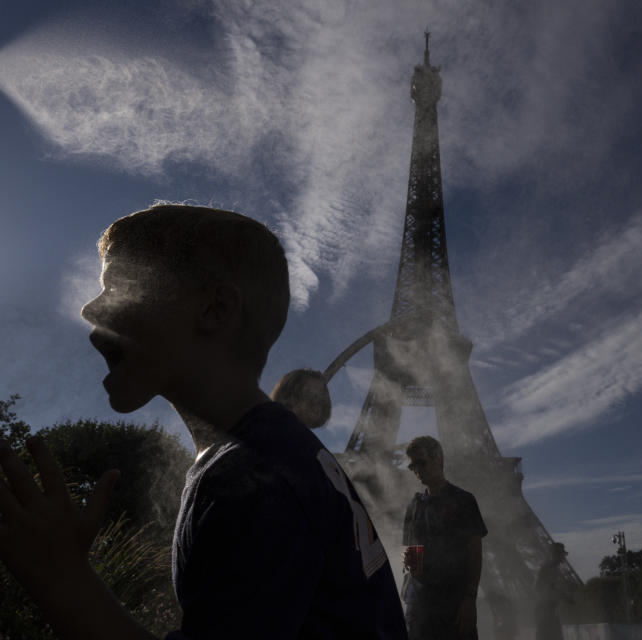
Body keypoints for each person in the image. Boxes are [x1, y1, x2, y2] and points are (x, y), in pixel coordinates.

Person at [0, 205, 408, 639]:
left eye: (117, 286)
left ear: (215, 309)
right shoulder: (280, 458)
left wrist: (60, 577)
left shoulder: (252, 478)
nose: (87, 308)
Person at [402, 435, 487, 640]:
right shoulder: (413, 505)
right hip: (420, 606)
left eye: (421, 463)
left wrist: (470, 600)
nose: (417, 471)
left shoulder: (464, 500)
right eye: (413, 466)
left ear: (438, 458)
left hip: (453, 604)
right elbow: (411, 549)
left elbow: (475, 552)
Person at [534, 542, 570, 640]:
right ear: (556, 554)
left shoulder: (551, 567)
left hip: (548, 609)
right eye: (561, 554)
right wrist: (563, 595)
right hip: (546, 610)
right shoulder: (549, 568)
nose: (563, 557)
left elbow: (545, 586)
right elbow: (546, 586)